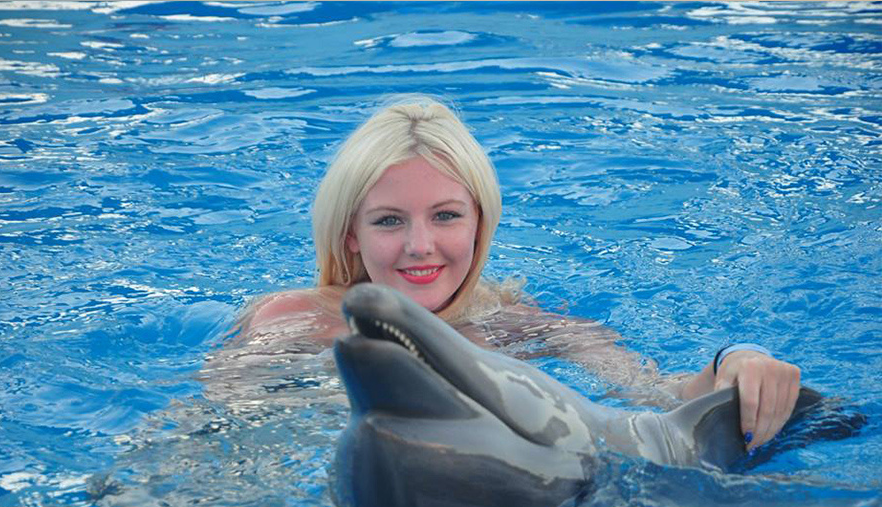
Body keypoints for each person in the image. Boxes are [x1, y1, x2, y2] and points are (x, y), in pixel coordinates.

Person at [236, 95, 801, 452]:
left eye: (446, 216)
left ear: (479, 224)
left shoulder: (520, 325)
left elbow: (655, 398)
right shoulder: (291, 320)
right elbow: (226, 424)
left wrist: (736, 362)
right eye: (389, 221)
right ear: (350, 235)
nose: (419, 246)